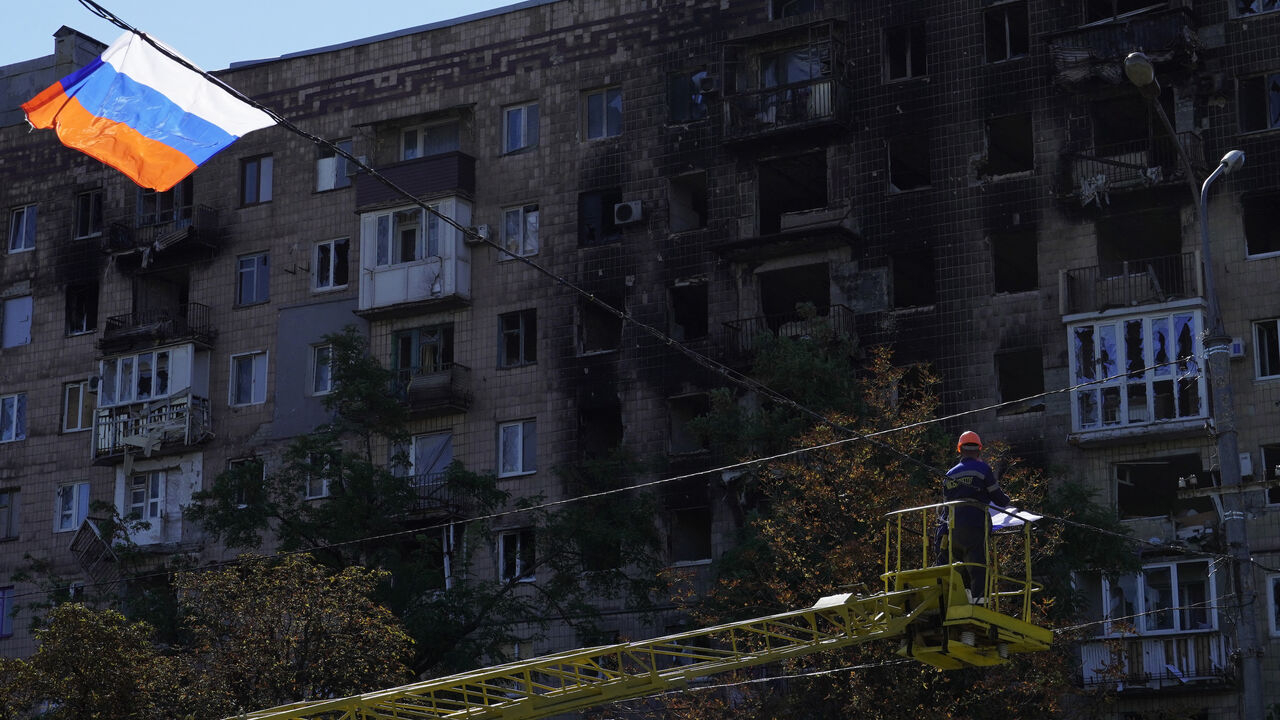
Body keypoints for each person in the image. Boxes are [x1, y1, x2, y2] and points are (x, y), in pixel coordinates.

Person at [942, 431, 1011, 603]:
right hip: (975, 523)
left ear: (960, 450)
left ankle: (964, 602)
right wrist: (1010, 501)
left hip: (954, 527)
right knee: (978, 565)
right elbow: (999, 499)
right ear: (979, 450)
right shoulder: (983, 469)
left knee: (960, 566)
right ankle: (980, 605)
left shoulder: (949, 474)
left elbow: (945, 508)